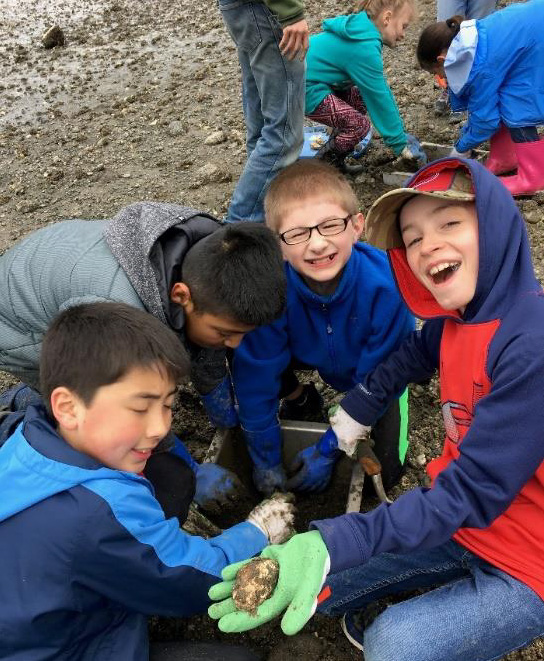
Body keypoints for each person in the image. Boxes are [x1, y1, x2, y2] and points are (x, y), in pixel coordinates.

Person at [208, 157, 544, 661]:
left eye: (449, 223)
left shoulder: (530, 345)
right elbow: (398, 365)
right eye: (412, 238)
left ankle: (415, 619)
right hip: (465, 523)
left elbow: (469, 491)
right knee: (316, 590)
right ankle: (413, 601)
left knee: (393, 644)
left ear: (497, 226)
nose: (428, 244)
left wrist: (335, 541)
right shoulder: (456, 321)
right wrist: (335, 437)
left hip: (530, 558)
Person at [0, 302, 295, 661]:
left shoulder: (23, 434)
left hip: (31, 619)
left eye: (168, 404)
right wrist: (257, 531)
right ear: (68, 406)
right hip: (66, 649)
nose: (160, 427)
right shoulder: (100, 514)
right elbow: (192, 581)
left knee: (166, 473)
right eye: (140, 408)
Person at [0, 203, 286, 514]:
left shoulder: (215, 260)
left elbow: (208, 339)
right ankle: (28, 408)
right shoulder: (116, 312)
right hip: (18, 327)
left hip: (56, 271)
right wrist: (188, 465)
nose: (235, 343)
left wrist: (220, 405)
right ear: (180, 296)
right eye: (225, 332)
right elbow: (133, 407)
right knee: (93, 406)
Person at [232, 160, 414, 495]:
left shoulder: (387, 289)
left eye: (331, 225)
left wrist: (329, 446)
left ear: (357, 226)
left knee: (387, 474)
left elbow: (380, 378)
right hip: (306, 351)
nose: (316, 244)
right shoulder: (271, 290)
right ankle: (300, 399)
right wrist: (266, 458)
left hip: (376, 370)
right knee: (253, 352)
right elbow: (254, 376)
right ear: (278, 245)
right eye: (297, 234)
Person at [417, 0, 544, 196]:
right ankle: (505, 156)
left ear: (442, 59)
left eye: (438, 72)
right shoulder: (469, 40)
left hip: (537, 40)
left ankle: (532, 177)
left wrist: (461, 148)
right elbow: (484, 107)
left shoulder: (478, 66)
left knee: (518, 101)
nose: (441, 78)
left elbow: (485, 121)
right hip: (533, 28)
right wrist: (466, 137)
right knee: (504, 91)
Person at [304, 0, 427, 173]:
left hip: (317, 81)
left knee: (361, 99)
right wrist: (400, 144)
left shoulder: (361, 32)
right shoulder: (364, 48)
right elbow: (379, 98)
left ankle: (336, 149)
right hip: (302, 88)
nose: (403, 35)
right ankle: (324, 167)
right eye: (404, 26)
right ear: (387, 18)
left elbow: (379, 92)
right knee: (359, 126)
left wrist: (399, 133)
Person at [218, 0, 308, 222]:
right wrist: (290, 11)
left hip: (241, 9)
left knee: (261, 126)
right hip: (264, 9)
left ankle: (269, 215)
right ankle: (238, 231)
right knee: (283, 134)